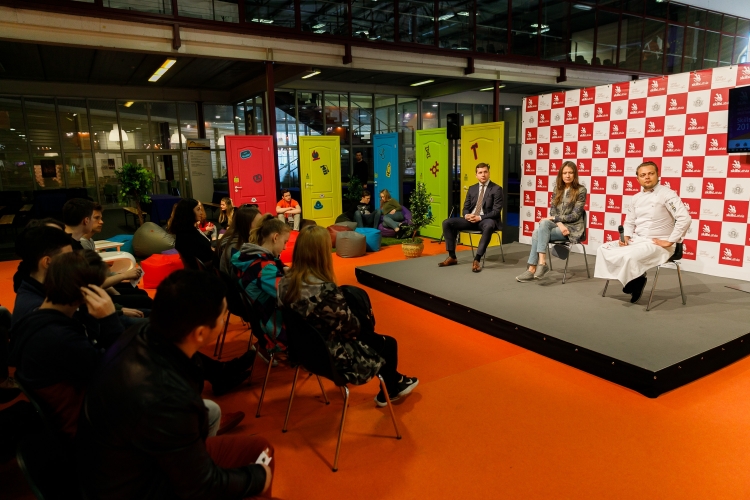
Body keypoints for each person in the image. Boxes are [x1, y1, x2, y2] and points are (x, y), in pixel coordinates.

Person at [75, 270, 275, 499]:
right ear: (200, 333)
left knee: (254, 443)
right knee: (262, 459)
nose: (223, 321)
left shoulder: (143, 334)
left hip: (121, 466)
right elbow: (199, 486)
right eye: (222, 317)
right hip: (135, 487)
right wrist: (258, 477)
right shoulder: (167, 399)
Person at [278, 226, 418, 406]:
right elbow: (353, 329)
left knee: (376, 339)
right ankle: (391, 388)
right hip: (332, 357)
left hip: (303, 351)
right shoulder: (325, 291)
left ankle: (396, 381)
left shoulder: (285, 282)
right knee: (388, 344)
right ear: (322, 254)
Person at [9, 251, 123, 437]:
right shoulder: (61, 338)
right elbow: (120, 368)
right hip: (84, 426)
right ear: (88, 293)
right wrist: (110, 320)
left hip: (68, 410)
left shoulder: (33, 319)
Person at [594, 161, 692, 303]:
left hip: (658, 243)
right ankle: (636, 279)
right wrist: (626, 237)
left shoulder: (667, 194)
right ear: (637, 179)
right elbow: (629, 221)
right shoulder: (635, 198)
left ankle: (635, 280)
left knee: (629, 256)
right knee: (603, 249)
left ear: (657, 175)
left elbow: (684, 218)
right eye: (643, 175)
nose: (647, 177)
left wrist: (671, 241)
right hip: (638, 240)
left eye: (651, 173)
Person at [516, 161, 587, 282]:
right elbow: (553, 211)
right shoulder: (557, 189)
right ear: (561, 175)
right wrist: (559, 224)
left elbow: (575, 216)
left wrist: (555, 220)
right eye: (565, 173)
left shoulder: (581, 190)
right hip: (560, 226)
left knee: (537, 232)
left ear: (575, 174)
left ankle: (533, 268)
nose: (567, 175)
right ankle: (540, 264)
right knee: (542, 225)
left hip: (573, 228)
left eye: (570, 172)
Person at [232, 216, 290, 358]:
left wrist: (282, 269)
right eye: (285, 242)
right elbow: (290, 295)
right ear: (275, 237)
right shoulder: (264, 267)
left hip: (260, 319)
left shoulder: (246, 256)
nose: (285, 247)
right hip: (273, 326)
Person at [438, 162, 503, 273]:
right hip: (471, 220)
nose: (483, 175)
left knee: (489, 225)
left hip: (486, 220)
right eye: (480, 172)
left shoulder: (496, 189)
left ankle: (477, 259)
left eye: (485, 172)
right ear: (476, 175)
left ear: (489, 173)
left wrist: (480, 217)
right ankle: (452, 257)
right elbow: (465, 208)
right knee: (447, 223)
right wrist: (466, 215)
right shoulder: (472, 188)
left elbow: (496, 212)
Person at [169, 198, 215, 268]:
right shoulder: (188, 235)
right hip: (208, 270)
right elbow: (204, 257)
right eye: (198, 209)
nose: (201, 212)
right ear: (189, 212)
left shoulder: (183, 231)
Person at [218, 205, 262, 275]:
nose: (262, 227)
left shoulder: (233, 238)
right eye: (259, 224)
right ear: (247, 226)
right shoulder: (237, 250)